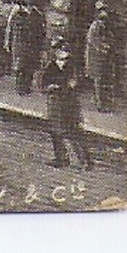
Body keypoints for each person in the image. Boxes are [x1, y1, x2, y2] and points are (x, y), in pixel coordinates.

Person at [41, 41, 94, 169]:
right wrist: (49, 87)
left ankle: (85, 161)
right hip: (54, 103)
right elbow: (43, 83)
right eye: (57, 50)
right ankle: (61, 158)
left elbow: (76, 83)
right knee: (55, 131)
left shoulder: (73, 66)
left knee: (74, 131)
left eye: (63, 50)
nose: (59, 52)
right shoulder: (51, 65)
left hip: (69, 103)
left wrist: (66, 86)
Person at [4, 0, 46, 96]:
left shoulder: (37, 15)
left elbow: (42, 32)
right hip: (19, 45)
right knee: (20, 67)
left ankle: (27, 86)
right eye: (26, 3)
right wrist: (8, 43)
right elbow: (10, 31)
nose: (28, 6)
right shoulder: (17, 16)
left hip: (33, 46)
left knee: (31, 67)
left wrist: (42, 46)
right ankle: (20, 88)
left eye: (30, 3)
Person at [84, 3, 118, 113]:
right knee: (98, 80)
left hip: (104, 58)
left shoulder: (105, 27)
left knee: (104, 80)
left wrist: (109, 44)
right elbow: (93, 40)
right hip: (96, 57)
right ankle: (100, 104)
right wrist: (103, 47)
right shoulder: (95, 26)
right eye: (102, 12)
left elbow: (111, 38)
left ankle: (103, 102)